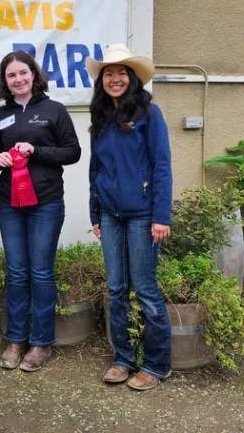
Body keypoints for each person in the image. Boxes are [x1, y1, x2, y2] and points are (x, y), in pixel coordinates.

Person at [86, 43, 172, 391]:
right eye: (109, 73)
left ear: (133, 78)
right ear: (102, 80)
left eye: (122, 72)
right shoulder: (102, 119)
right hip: (110, 215)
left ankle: (156, 364)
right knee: (116, 289)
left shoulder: (150, 115)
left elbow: (162, 167)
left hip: (142, 216)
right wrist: (95, 212)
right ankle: (123, 359)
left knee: (147, 291)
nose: (115, 78)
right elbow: (96, 170)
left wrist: (161, 216)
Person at [0, 50, 81, 372]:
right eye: (11, 75)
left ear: (33, 75)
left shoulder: (55, 111)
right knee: (16, 271)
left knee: (40, 272)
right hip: (10, 204)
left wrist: (37, 150)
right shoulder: (1, 115)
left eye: (22, 73)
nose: (18, 79)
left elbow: (73, 152)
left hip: (45, 203)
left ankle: (41, 342)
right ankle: (15, 339)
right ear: (5, 81)